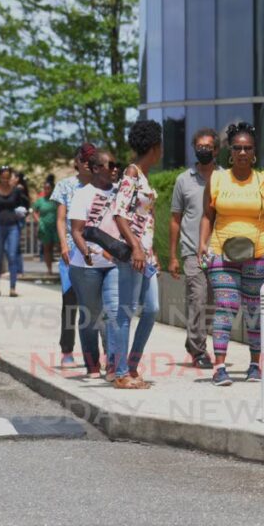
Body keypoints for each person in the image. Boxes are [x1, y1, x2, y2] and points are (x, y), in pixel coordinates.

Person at [198, 121, 264, 387]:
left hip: (258, 255)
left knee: (254, 311)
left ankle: (255, 365)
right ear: (230, 152)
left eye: (247, 148)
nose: (242, 152)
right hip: (221, 252)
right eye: (237, 148)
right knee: (226, 306)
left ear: (254, 152)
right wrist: (201, 243)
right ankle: (219, 367)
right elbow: (207, 215)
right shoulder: (217, 179)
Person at [110, 119, 163, 388]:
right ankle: (120, 374)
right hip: (134, 256)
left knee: (152, 309)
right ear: (155, 146)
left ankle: (130, 366)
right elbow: (119, 213)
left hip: (146, 256)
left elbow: (145, 218)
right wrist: (137, 248)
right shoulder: (131, 174)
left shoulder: (142, 175)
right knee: (126, 311)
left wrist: (152, 252)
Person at [68, 149, 123, 382]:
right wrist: (86, 251)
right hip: (85, 266)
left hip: (113, 264)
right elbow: (77, 230)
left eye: (116, 164)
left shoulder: (120, 193)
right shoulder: (83, 195)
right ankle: (92, 365)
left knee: (112, 313)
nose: (114, 169)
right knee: (91, 317)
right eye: (109, 165)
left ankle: (112, 364)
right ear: (96, 168)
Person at [168, 128, 220, 369]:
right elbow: (175, 219)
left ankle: (194, 340)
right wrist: (172, 256)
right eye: (200, 146)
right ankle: (199, 351)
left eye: (208, 147)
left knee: (212, 301)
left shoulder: (225, 177)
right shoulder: (183, 180)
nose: (204, 150)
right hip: (191, 250)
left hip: (219, 250)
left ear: (217, 150)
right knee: (197, 299)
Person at [52, 144, 95, 368]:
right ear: (76, 162)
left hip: (96, 251)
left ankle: (96, 352)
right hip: (71, 250)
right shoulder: (66, 186)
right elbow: (61, 219)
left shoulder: (104, 185)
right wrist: (63, 245)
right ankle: (67, 349)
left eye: (91, 158)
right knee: (70, 301)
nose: (87, 162)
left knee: (95, 305)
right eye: (83, 158)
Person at [0, 165, 30, 297]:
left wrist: (24, 214)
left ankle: (12, 288)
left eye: (7, 177)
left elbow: (24, 204)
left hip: (12, 226)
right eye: (3, 177)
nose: (5, 180)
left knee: (12, 255)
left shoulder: (16, 191)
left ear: (10, 178)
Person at [33, 174, 59, 275]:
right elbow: (34, 210)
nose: (46, 190)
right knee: (47, 249)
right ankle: (49, 270)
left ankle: (65, 268)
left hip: (56, 227)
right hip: (45, 228)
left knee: (60, 247)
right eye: (45, 188)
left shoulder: (56, 200)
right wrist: (38, 220)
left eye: (48, 188)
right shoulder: (40, 200)